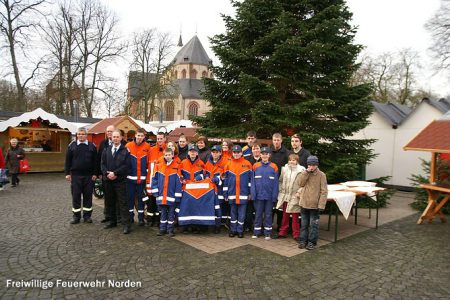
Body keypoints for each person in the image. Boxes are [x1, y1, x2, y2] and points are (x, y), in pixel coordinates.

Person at [64, 128, 97, 224]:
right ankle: (76, 216)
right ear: (76, 135)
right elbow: (68, 161)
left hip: (89, 176)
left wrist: (95, 173)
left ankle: (87, 216)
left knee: (88, 196)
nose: (81, 136)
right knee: (76, 196)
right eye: (79, 134)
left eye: (83, 134)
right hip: (75, 176)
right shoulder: (71, 146)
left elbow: (95, 161)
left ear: (86, 135)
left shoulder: (92, 146)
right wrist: (67, 173)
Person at [102, 130, 131, 234]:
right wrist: (107, 174)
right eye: (114, 137)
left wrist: (115, 173)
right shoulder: (106, 149)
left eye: (117, 137)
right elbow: (102, 164)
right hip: (108, 180)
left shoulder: (125, 151)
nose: (115, 138)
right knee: (110, 202)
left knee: (122, 203)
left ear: (121, 138)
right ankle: (112, 221)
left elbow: (127, 166)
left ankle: (126, 225)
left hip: (120, 181)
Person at [297, 155, 328, 250]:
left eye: (314, 164)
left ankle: (312, 242)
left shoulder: (321, 175)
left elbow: (324, 191)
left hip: (315, 205)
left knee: (313, 225)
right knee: (304, 225)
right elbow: (300, 183)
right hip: (304, 204)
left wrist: (321, 204)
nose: (312, 166)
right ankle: (303, 241)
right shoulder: (304, 173)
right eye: (310, 164)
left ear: (317, 165)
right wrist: (306, 172)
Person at [151, 147, 182, 237]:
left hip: (171, 196)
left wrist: (177, 196)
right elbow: (154, 179)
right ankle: (162, 229)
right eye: (166, 155)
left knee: (171, 214)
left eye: (169, 155)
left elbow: (179, 182)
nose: (167, 156)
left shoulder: (176, 166)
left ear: (173, 155)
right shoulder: (159, 165)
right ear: (163, 155)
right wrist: (155, 192)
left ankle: (170, 230)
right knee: (163, 213)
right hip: (161, 195)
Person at [223, 145, 253, 238]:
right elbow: (225, 181)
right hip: (232, 193)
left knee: (242, 214)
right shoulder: (228, 164)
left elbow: (250, 181)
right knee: (233, 213)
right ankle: (233, 230)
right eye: (234, 152)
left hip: (243, 194)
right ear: (232, 153)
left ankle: (240, 230)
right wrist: (225, 193)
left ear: (241, 153)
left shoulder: (247, 164)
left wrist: (250, 193)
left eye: (238, 152)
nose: (236, 154)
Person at [251, 146, 279, 240]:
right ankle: (257, 232)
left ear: (269, 155)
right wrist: (253, 193)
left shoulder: (274, 167)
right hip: (258, 196)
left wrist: (274, 196)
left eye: (266, 154)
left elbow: (276, 184)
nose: (264, 156)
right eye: (263, 154)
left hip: (269, 197)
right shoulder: (255, 166)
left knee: (268, 214)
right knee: (258, 214)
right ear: (260, 155)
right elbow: (253, 182)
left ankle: (267, 232)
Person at [276, 154, 305, 240]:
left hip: (295, 196)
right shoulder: (285, 169)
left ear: (297, 161)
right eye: (290, 160)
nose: (292, 161)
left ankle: (296, 234)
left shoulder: (301, 170)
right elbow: (280, 181)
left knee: (295, 216)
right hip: (285, 196)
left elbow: (303, 183)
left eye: (294, 160)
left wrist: (299, 191)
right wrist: (281, 190)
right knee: (285, 215)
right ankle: (282, 232)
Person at [125, 128, 151, 226]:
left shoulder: (147, 147)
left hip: (142, 179)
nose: (140, 137)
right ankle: (130, 217)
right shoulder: (128, 146)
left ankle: (140, 218)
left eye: (142, 136)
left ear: (144, 137)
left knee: (141, 199)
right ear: (135, 135)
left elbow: (148, 163)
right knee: (130, 199)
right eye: (138, 135)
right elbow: (125, 161)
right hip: (130, 179)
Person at [270, 132, 290, 232]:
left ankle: (280, 227)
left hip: (283, 184)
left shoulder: (287, 153)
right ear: (272, 141)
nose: (276, 142)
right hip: (270, 184)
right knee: (271, 206)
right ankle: (269, 226)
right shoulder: (269, 152)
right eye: (274, 140)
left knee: (281, 207)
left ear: (281, 141)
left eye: (278, 140)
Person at [146, 132, 167, 226]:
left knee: (160, 201)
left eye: (161, 138)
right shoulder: (151, 150)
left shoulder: (168, 150)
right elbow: (148, 165)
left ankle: (159, 220)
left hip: (163, 180)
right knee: (151, 201)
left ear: (164, 139)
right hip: (152, 179)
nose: (159, 140)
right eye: (158, 139)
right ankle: (150, 220)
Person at [204, 145, 226, 233]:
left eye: (217, 152)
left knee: (218, 208)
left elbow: (225, 176)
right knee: (210, 208)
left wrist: (219, 179)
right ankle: (210, 225)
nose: (215, 154)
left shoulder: (224, 163)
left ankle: (217, 226)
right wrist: (205, 177)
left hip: (219, 190)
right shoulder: (208, 163)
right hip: (210, 190)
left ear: (220, 153)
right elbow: (205, 174)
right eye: (213, 152)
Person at [97, 125, 115, 223]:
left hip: (117, 175)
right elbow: (99, 159)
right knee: (107, 197)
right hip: (105, 175)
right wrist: (99, 172)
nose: (109, 133)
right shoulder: (103, 143)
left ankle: (117, 216)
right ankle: (107, 215)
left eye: (111, 131)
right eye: (108, 131)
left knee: (117, 197)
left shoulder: (122, 143)